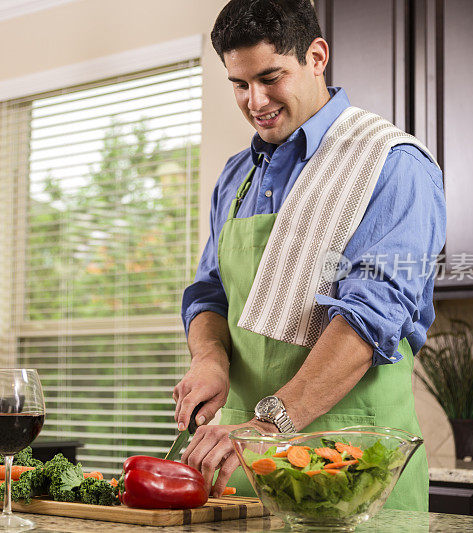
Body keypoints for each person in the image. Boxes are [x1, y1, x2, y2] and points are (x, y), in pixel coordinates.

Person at [172, 0, 445, 512]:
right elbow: (210, 292)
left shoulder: (393, 164)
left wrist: (268, 426)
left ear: (317, 56)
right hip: (244, 470)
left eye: (270, 77)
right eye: (239, 83)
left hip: (354, 469)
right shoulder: (237, 175)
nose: (255, 101)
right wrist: (210, 358)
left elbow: (369, 318)